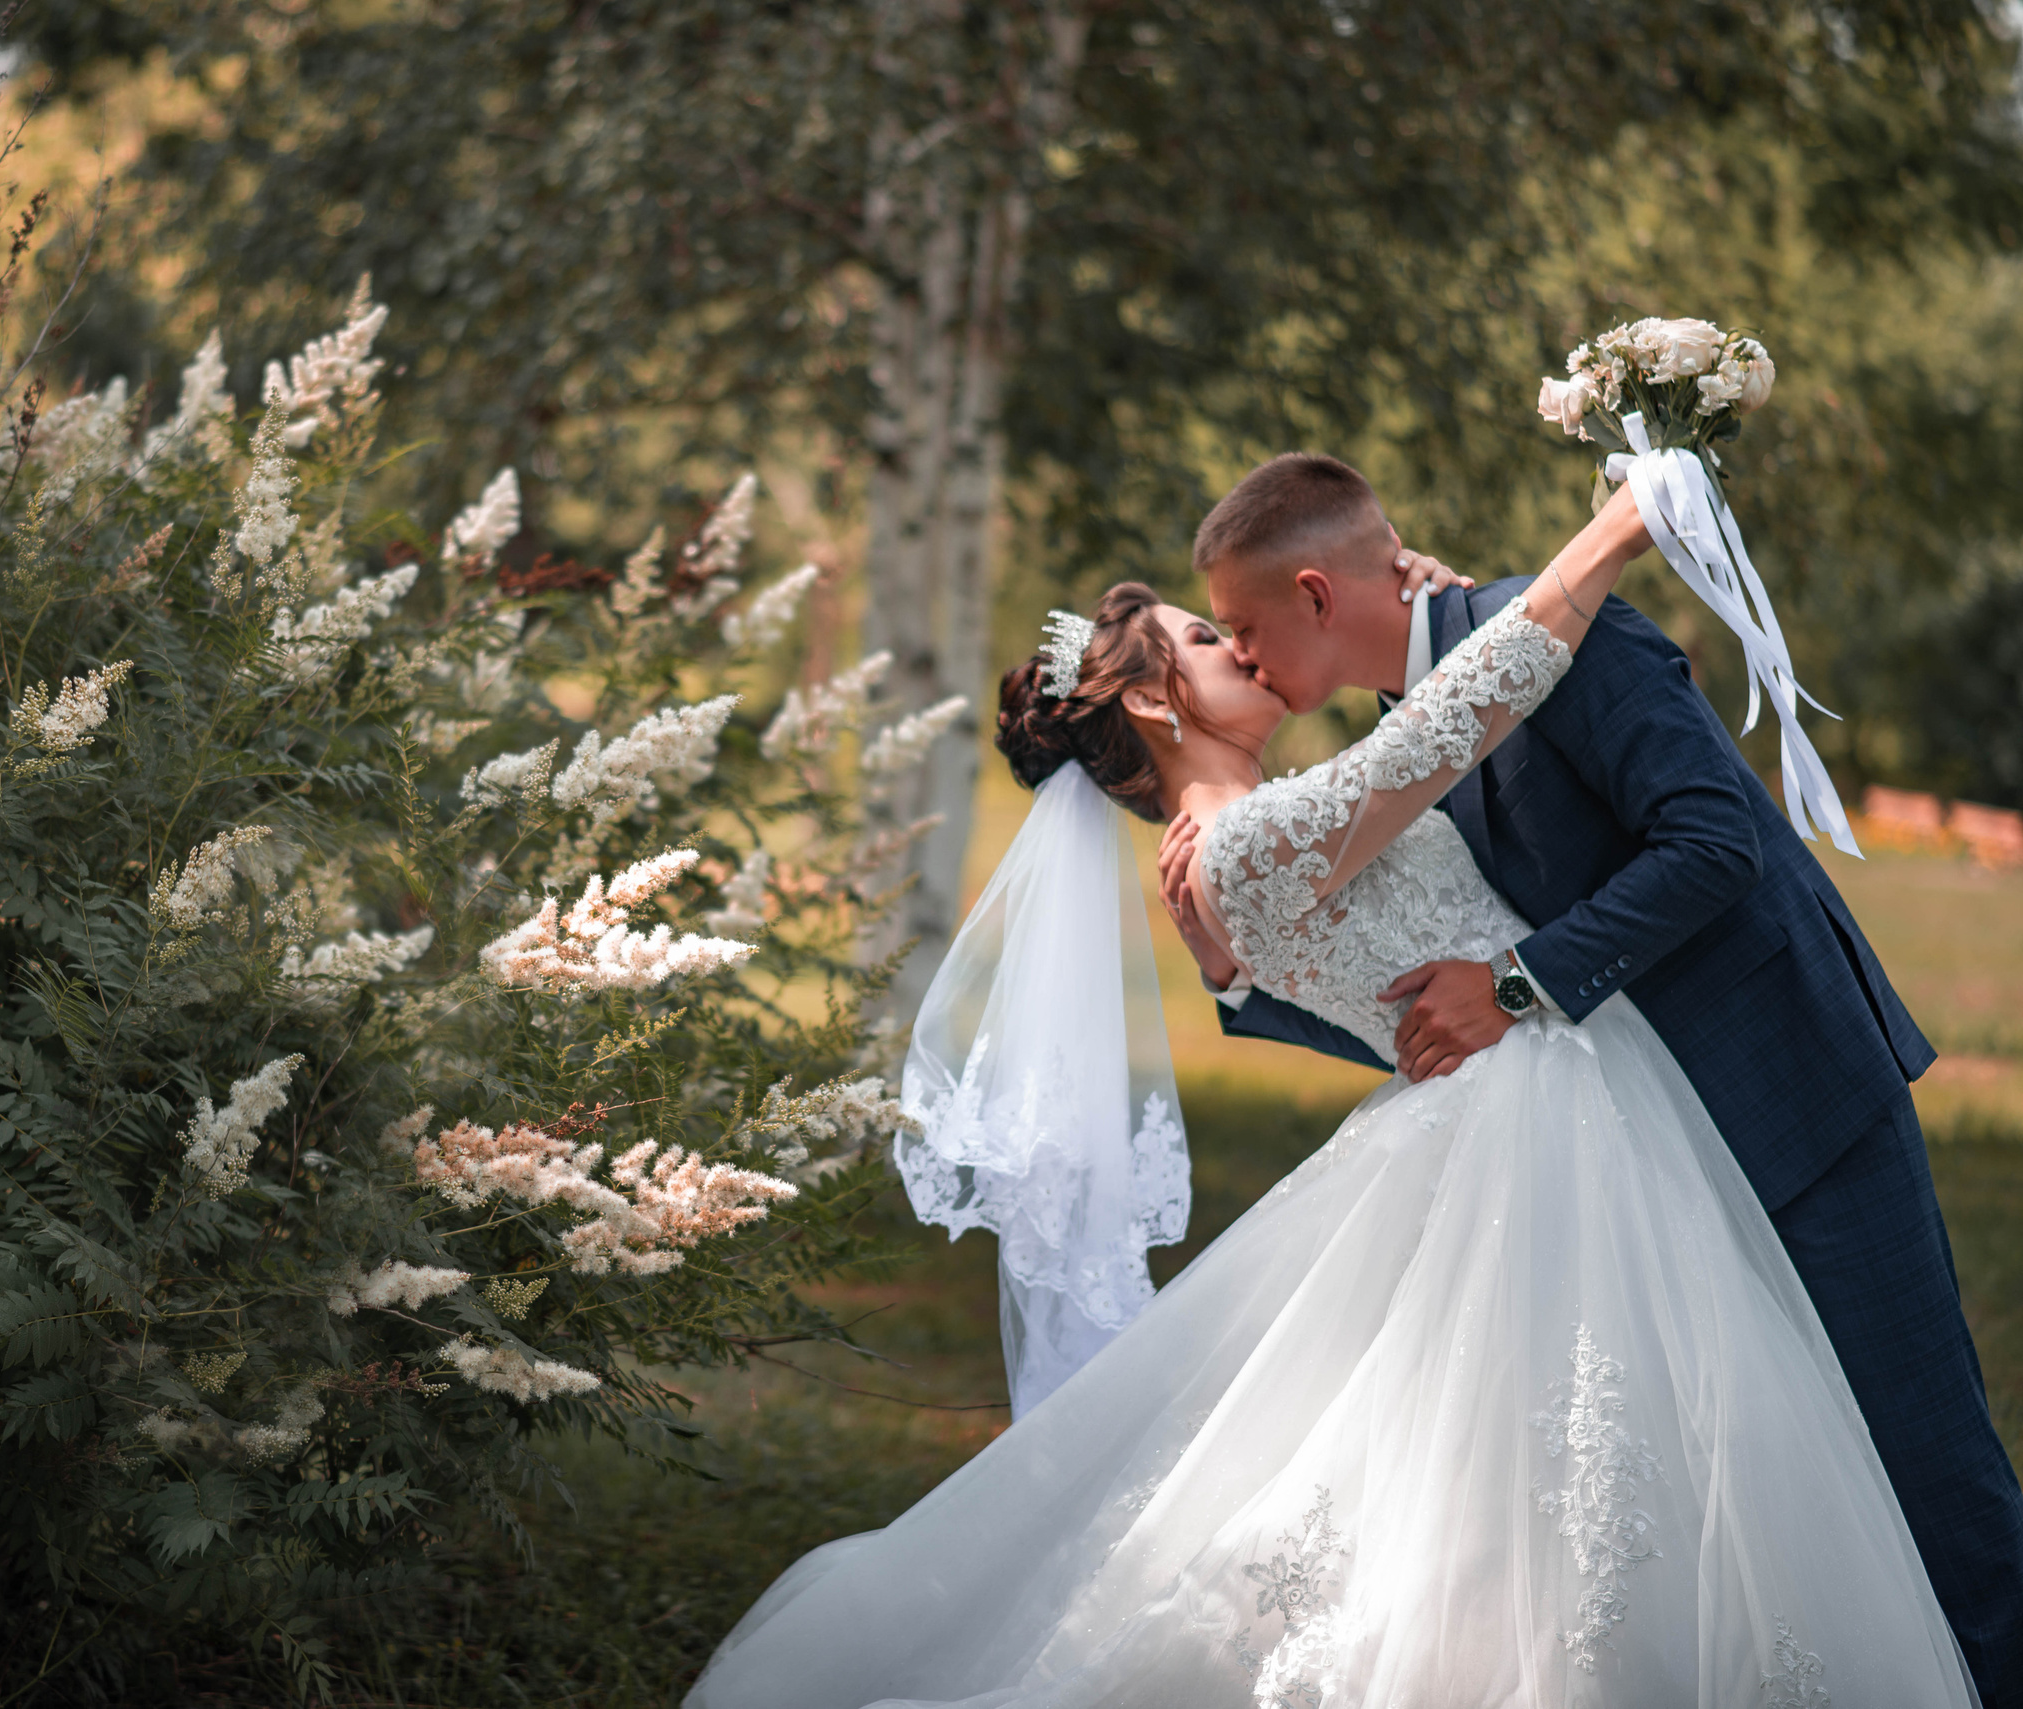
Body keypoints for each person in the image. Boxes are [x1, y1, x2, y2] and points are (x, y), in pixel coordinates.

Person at [688, 484, 1976, 1707]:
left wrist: (1420, 610)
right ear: (1147, 708)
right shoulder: (1244, 845)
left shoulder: (1253, 843)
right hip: (1540, 1129)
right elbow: (1456, 717)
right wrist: (1616, 530)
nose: (1241, 651)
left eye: (1237, 623)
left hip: (1561, 1110)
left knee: (1596, 1490)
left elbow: (1417, 851)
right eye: (1210, 638)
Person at [1166, 453, 2021, 1699]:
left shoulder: (1565, 640)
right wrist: (1238, 972)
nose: (1239, 657)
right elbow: (1419, 1004)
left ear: (1311, 591)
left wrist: (1519, 980)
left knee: (1925, 1465)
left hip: (1786, 1098)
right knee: (1771, 1505)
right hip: (1640, 1167)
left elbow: (1715, 841)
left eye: (1241, 627)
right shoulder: (1411, 733)